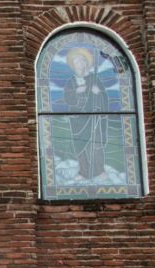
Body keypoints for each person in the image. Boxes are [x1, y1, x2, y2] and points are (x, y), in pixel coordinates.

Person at [62, 47, 109, 182]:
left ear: (86, 64)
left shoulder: (94, 79)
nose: (80, 65)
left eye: (82, 62)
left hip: (94, 117)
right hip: (77, 119)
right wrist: (77, 91)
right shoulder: (71, 81)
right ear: (73, 66)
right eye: (77, 63)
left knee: (96, 144)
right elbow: (67, 97)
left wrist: (98, 93)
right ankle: (84, 171)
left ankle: (99, 170)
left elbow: (105, 98)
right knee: (80, 146)